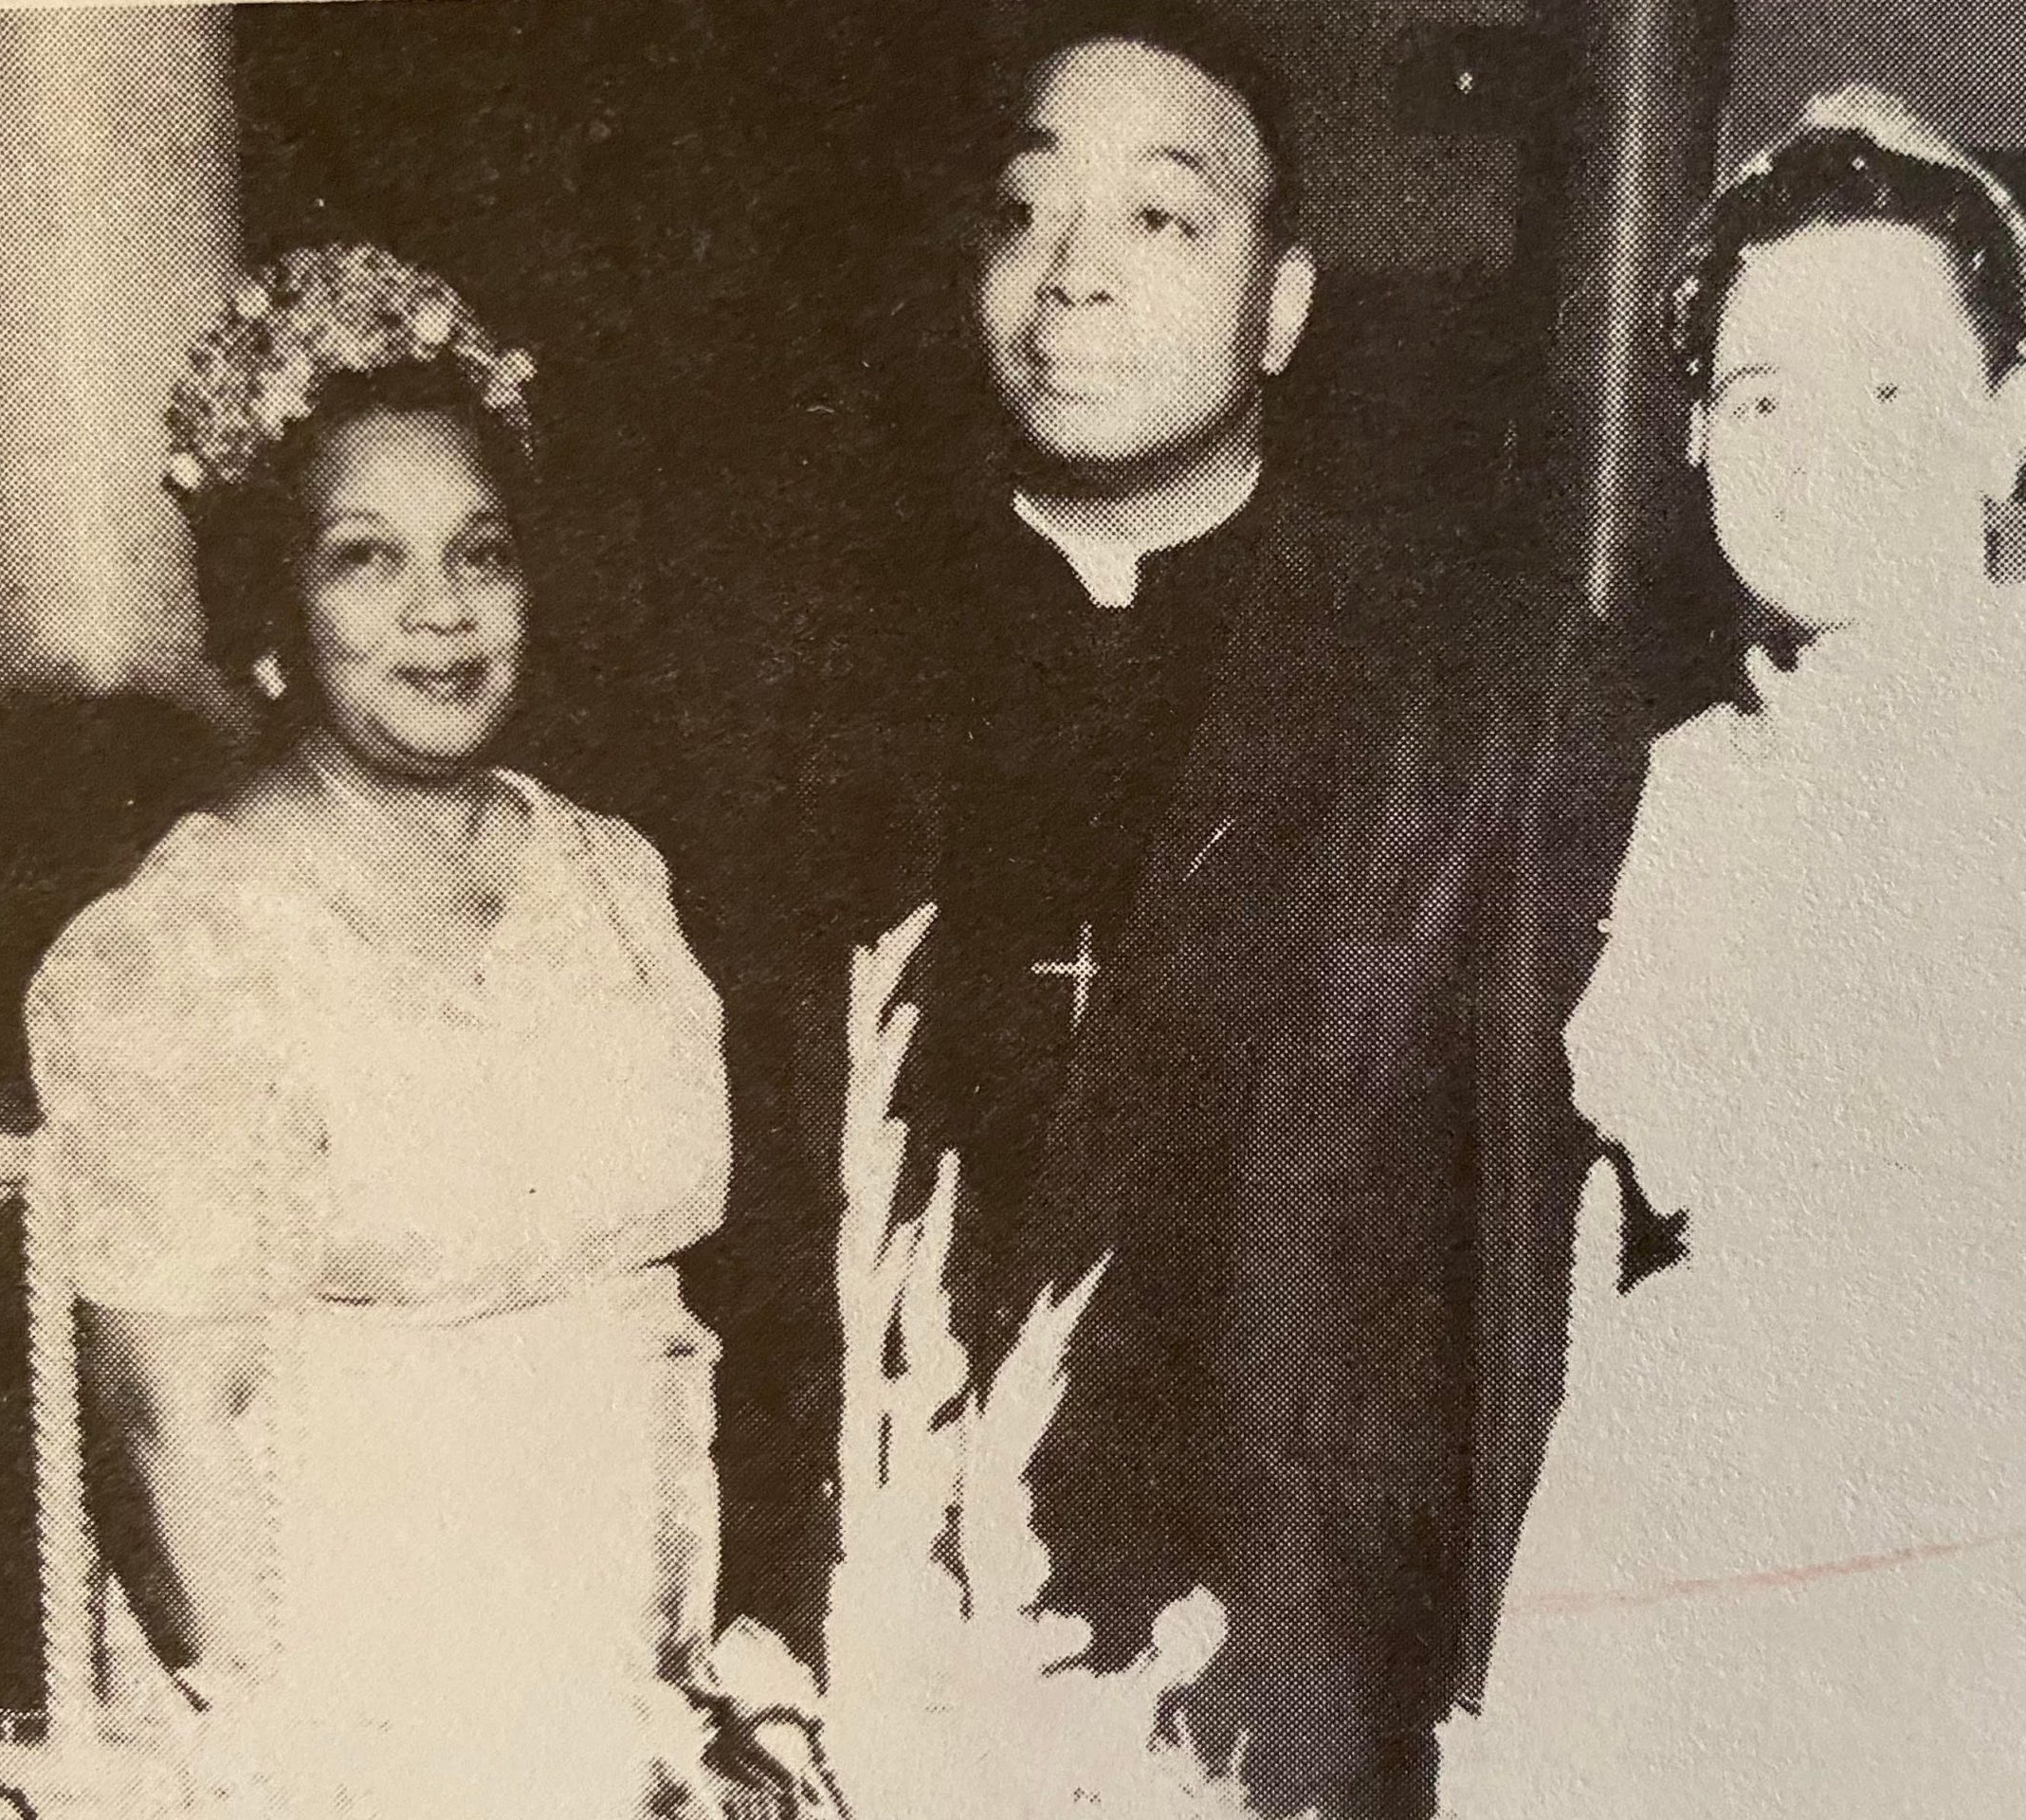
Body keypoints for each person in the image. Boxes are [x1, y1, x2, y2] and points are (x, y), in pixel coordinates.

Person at [718, 5, 1573, 1813]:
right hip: (873, 1632)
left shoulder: (1464, 692)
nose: (1073, 278)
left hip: (1286, 1657)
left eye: (1162, 219)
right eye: (1028, 214)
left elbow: (1504, 1258)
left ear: (1284, 306)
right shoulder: (820, 663)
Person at [1475, 90, 2026, 1814]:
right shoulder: (1677, 782)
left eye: (1893, 391)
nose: (1816, 445)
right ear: (1692, 440)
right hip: (1675, 1587)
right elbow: (1608, 1256)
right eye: (1757, 397)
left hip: (2011, 1631)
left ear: (2008, 422)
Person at [24, 246, 730, 1819]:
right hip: (346, 1687)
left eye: (481, 552)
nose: (443, 610)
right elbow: (166, 1429)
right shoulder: (178, 953)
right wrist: (306, 1765)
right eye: (367, 559)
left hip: (622, 1639)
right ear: (274, 610)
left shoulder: (611, 878)